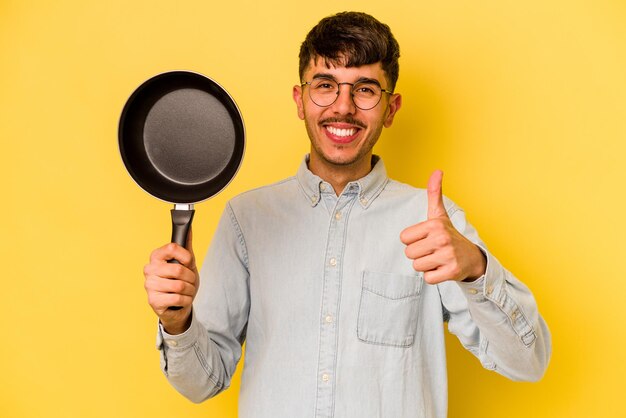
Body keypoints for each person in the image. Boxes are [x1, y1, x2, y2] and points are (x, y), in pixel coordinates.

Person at [142, 11, 551, 418]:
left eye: (366, 89)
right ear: (300, 102)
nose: (344, 107)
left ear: (391, 109)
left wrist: (476, 269)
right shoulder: (247, 219)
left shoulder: (435, 226)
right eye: (325, 86)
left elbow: (527, 363)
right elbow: (202, 382)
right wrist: (178, 322)